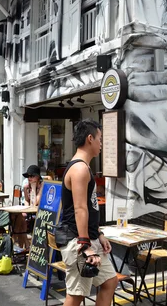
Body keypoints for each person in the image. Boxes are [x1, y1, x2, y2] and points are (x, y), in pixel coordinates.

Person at [59, 119, 118, 306]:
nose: (102, 143)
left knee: (110, 281)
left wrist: (98, 234)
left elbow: (88, 207)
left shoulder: (84, 167)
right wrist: (85, 245)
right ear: (90, 138)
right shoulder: (79, 169)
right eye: (100, 138)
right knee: (76, 295)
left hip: (89, 237)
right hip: (79, 240)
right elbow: (79, 208)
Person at [13, 165, 44, 250]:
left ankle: (24, 245)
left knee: (21, 219)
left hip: (42, 212)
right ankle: (24, 245)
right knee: (18, 218)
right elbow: (27, 200)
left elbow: (36, 202)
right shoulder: (26, 187)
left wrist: (33, 188)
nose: (29, 178)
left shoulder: (42, 186)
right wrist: (25, 210)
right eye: (28, 176)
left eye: (32, 176)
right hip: (32, 210)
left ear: (38, 177)